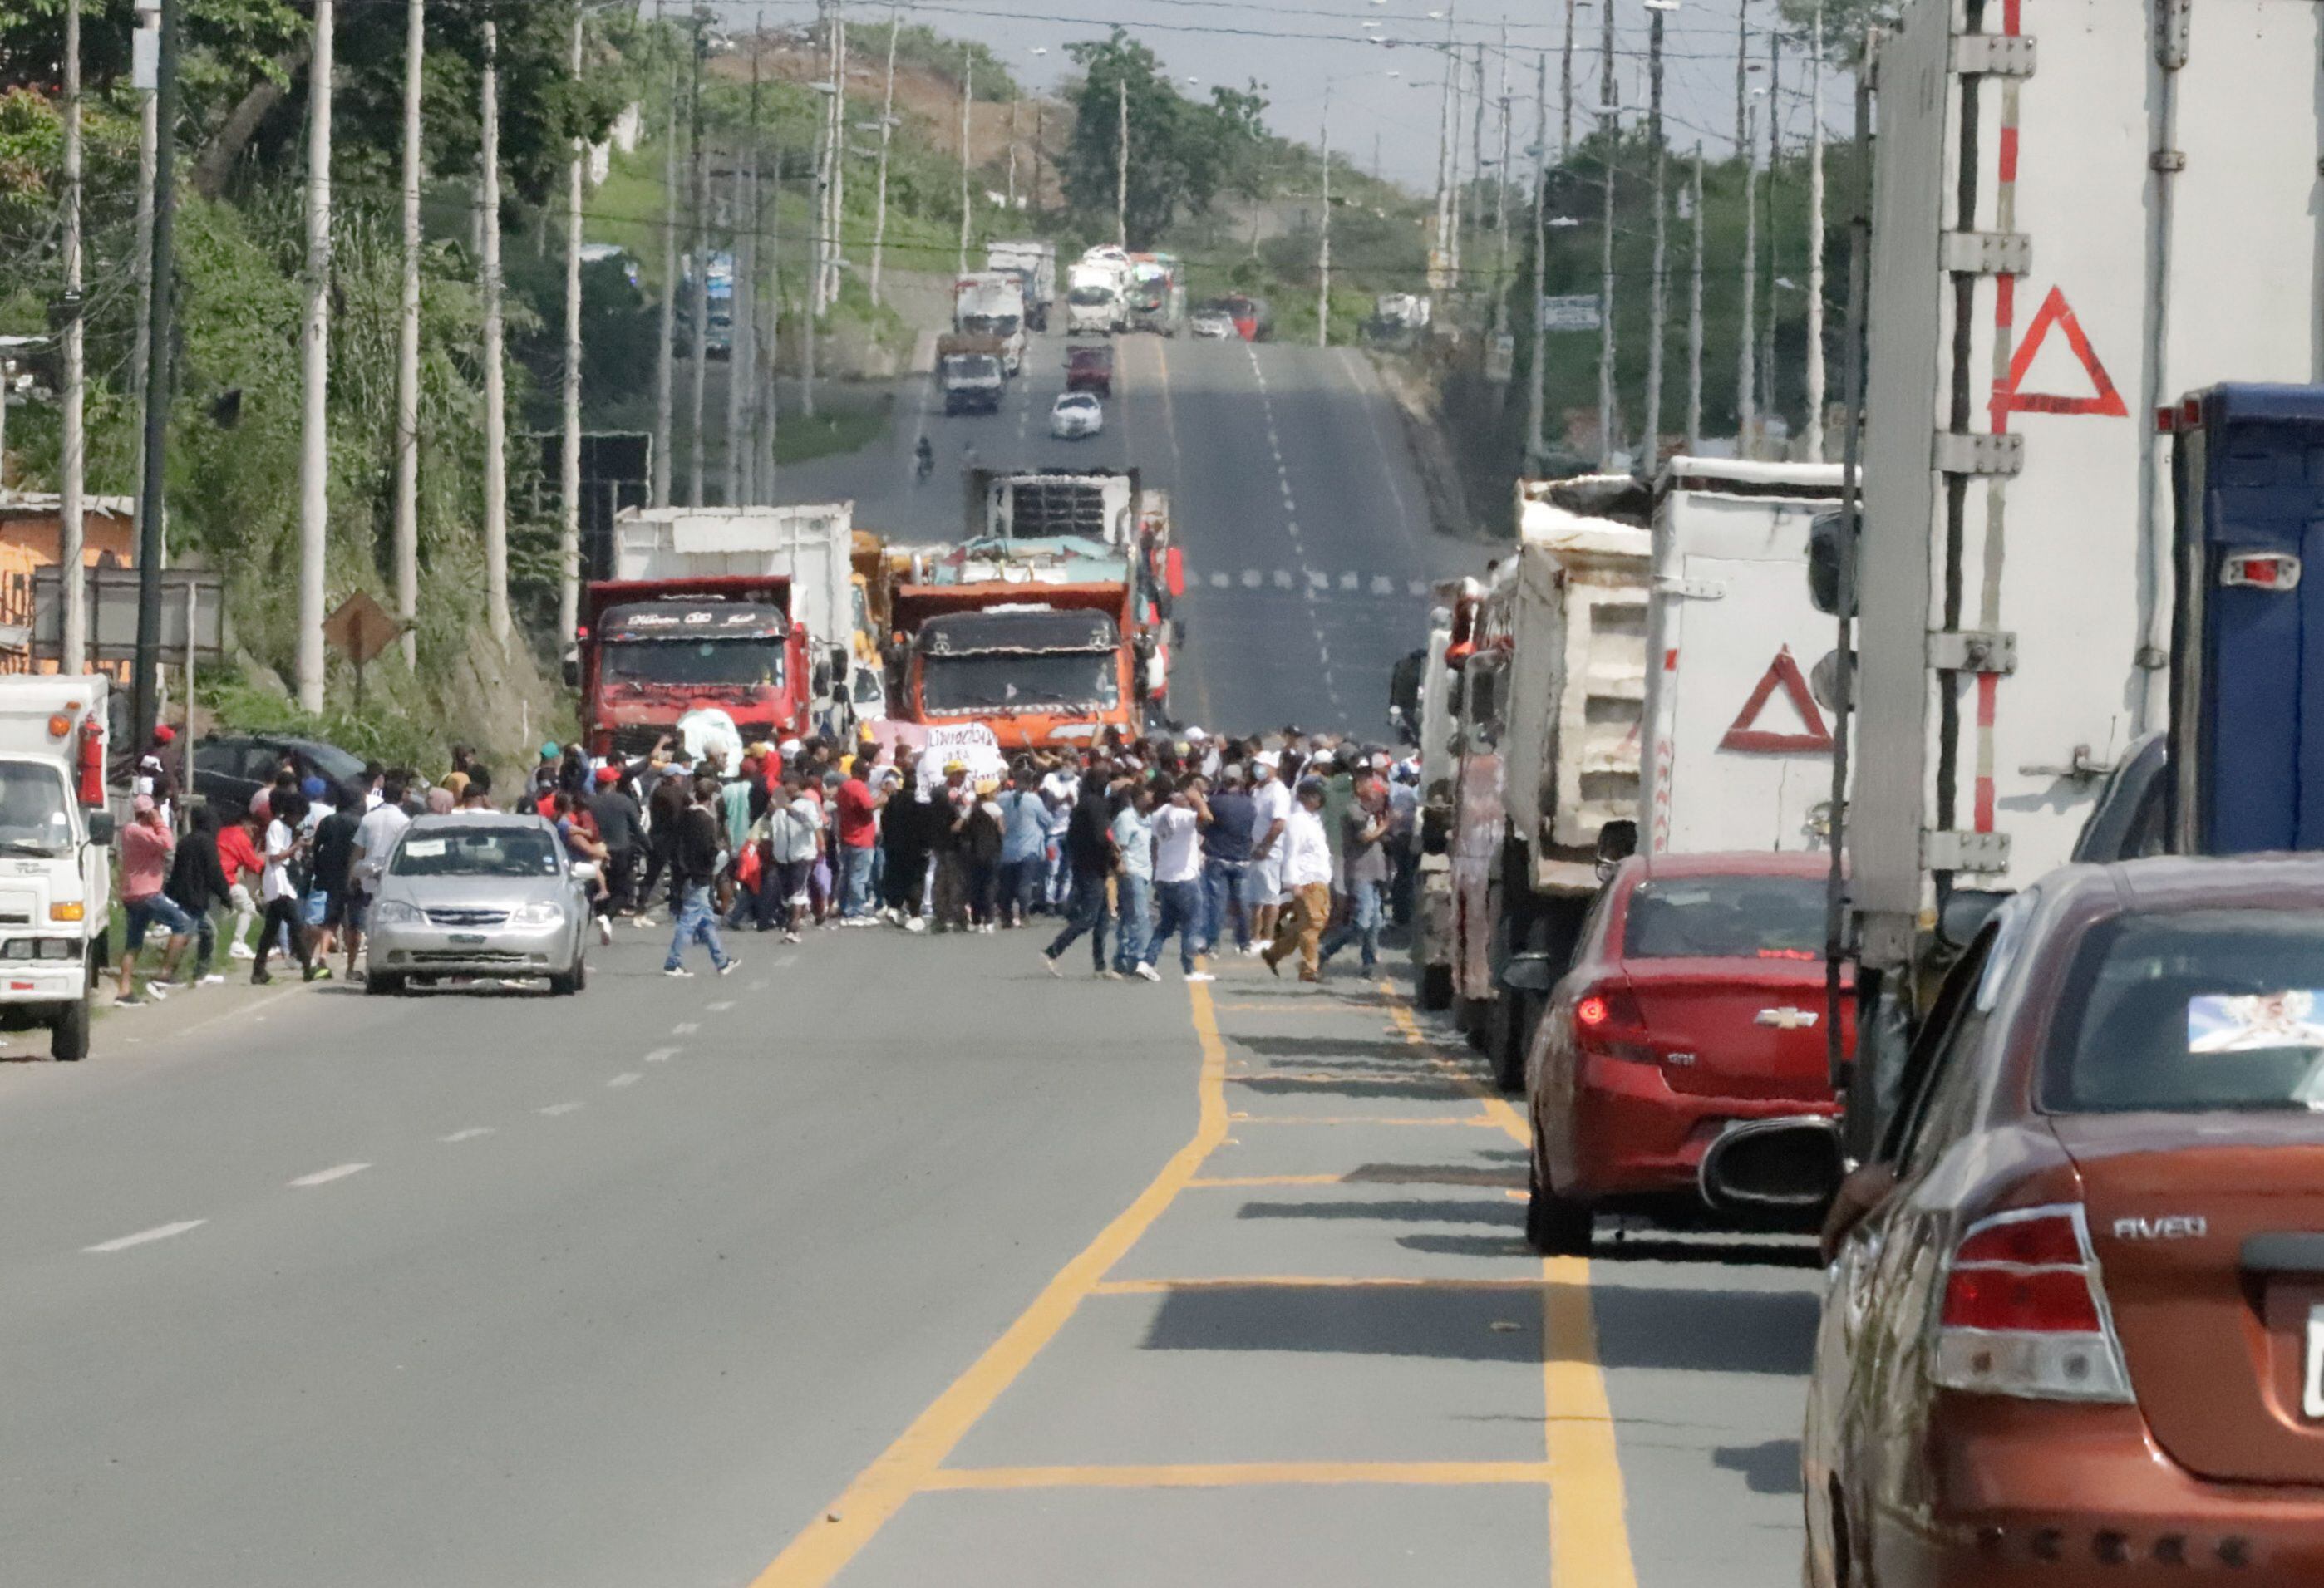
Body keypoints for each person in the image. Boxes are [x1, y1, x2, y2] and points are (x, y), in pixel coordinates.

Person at [1041, 767, 1116, 976]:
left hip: (1084, 864)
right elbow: (1103, 837)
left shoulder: (1081, 805)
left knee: (1103, 917)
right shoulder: (1097, 806)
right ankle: (1053, 951)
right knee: (1089, 918)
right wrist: (1115, 858)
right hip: (1095, 866)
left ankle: (1100, 966)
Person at [116, 795, 191, 1004]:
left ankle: (124, 989)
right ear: (148, 813)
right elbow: (168, 844)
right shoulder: (135, 831)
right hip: (147, 894)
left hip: (134, 894)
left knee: (134, 943)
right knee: (183, 923)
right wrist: (159, 820)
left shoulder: (139, 833)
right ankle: (165, 973)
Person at [1319, 765, 1391, 976]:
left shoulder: (1370, 812)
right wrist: (1386, 825)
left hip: (1375, 871)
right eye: (1370, 784)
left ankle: (1368, 963)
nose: (1374, 788)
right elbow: (1365, 837)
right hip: (1360, 872)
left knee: (1376, 922)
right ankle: (1326, 951)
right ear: (1358, 787)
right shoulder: (1353, 810)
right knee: (1362, 921)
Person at [663, 775, 739, 977]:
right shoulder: (706, 820)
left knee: (706, 921)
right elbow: (707, 850)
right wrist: (718, 855)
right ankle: (673, 962)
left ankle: (721, 960)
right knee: (688, 922)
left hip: (687, 872)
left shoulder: (685, 816)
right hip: (700, 875)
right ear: (712, 797)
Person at [1261, 778, 1334, 983]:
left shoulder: (1312, 820)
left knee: (1305, 923)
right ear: (1306, 797)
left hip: (1318, 878)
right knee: (1313, 924)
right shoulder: (1298, 821)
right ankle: (1310, 968)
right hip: (1308, 879)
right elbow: (1291, 853)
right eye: (1316, 795)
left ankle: (1275, 953)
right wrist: (1293, 882)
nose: (1320, 800)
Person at [1142, 774, 1212, 982]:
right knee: (1192, 923)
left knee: (1165, 925)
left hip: (1164, 876)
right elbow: (1207, 818)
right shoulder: (1182, 815)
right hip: (1184, 877)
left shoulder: (1159, 814)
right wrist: (1198, 800)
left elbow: (1156, 845)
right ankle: (1190, 969)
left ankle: (1147, 962)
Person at [347, 772, 412, 979]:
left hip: (366, 876)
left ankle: (354, 967)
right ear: (401, 797)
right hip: (391, 879)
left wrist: (352, 876)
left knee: (363, 924)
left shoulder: (369, 818)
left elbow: (358, 851)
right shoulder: (404, 821)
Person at [253, 788, 317, 985]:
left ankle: (258, 970)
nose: (298, 820)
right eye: (298, 816)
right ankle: (308, 967)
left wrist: (302, 845)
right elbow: (274, 857)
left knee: (271, 928)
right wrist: (295, 846)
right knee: (296, 924)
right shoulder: (276, 827)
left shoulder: (289, 830)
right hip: (277, 883)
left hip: (286, 883)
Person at [166, 802, 232, 987]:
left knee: (189, 933)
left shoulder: (185, 840)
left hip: (181, 894)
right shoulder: (207, 843)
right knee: (206, 932)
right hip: (194, 896)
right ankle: (197, 974)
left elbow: (175, 871)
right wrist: (225, 895)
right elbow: (214, 872)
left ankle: (176, 972)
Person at [304, 781, 362, 977]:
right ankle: (350, 968)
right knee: (354, 926)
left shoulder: (329, 821)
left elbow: (315, 847)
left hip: (332, 878)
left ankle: (322, 958)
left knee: (330, 921)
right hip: (354, 879)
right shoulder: (360, 823)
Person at [1199, 763, 1256, 958]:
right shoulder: (1249, 803)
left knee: (1217, 903)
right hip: (1242, 858)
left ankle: (1213, 945)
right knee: (1242, 902)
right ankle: (1244, 943)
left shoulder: (1214, 802)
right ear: (1240, 781)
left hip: (1217, 857)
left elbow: (1203, 827)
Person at [765, 770, 822, 943]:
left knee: (798, 890)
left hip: (802, 854)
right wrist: (773, 808)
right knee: (788, 893)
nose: (784, 786)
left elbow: (813, 824)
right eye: (783, 783)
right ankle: (803, 915)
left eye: (787, 783)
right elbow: (770, 824)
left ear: (796, 784)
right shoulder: (778, 804)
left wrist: (792, 811)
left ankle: (793, 928)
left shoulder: (807, 804)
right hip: (783, 856)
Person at [1245, 752, 1292, 954]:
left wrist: (1265, 846)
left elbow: (1279, 823)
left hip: (1270, 851)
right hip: (1254, 849)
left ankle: (1268, 937)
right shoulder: (1257, 790)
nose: (1258, 769)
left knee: (1270, 896)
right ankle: (1254, 938)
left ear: (1272, 767)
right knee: (1255, 897)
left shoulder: (1279, 792)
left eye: (1262, 765)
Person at [1109, 782, 1156, 980]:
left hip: (1145, 871)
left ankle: (1122, 959)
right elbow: (1118, 846)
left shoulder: (1148, 818)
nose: (1152, 799)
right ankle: (1139, 959)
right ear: (1137, 798)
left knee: (1129, 917)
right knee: (1140, 916)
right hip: (1131, 871)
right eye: (1148, 795)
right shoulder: (1126, 818)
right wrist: (1120, 868)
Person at [878, 768, 934, 930]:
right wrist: (928, 845)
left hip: (894, 846)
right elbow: (926, 827)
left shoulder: (893, 800)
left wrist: (888, 839)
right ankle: (914, 912)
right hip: (916, 848)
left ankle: (894, 907)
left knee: (896, 876)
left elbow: (884, 821)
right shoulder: (922, 804)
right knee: (916, 880)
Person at [995, 764, 1049, 927]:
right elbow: (1048, 821)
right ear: (1031, 783)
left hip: (1006, 849)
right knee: (1024, 883)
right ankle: (1024, 916)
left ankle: (1006, 917)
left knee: (1006, 885)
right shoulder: (1034, 800)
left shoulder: (1001, 798)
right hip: (1028, 848)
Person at [587, 764, 644, 917]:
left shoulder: (589, 803)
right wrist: (648, 847)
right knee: (622, 892)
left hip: (595, 851)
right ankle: (607, 917)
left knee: (599, 888)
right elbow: (637, 829)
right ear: (612, 783)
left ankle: (600, 915)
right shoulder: (624, 801)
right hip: (621, 851)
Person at [832, 754, 882, 922]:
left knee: (847, 875)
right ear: (864, 774)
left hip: (848, 836)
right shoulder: (857, 786)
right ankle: (856, 910)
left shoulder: (844, 787)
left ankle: (845, 906)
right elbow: (870, 806)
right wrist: (883, 797)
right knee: (858, 877)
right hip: (860, 838)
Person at [215, 809, 263, 961]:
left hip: (213, 879)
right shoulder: (240, 837)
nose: (253, 833)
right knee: (248, 907)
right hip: (226, 880)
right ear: (245, 824)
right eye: (253, 828)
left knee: (213, 915)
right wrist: (266, 858)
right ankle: (237, 943)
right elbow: (254, 865)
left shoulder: (221, 832)